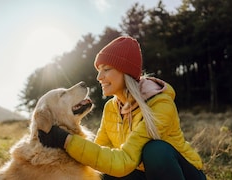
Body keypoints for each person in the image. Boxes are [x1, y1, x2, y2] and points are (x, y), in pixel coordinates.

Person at [38, 36, 207, 180]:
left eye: (106, 69)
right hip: (143, 173)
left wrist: (66, 140)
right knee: (102, 172)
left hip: (183, 173)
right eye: (98, 70)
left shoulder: (160, 104)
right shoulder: (111, 107)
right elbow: (98, 154)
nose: (99, 77)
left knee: (155, 151)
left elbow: (124, 161)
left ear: (124, 72)